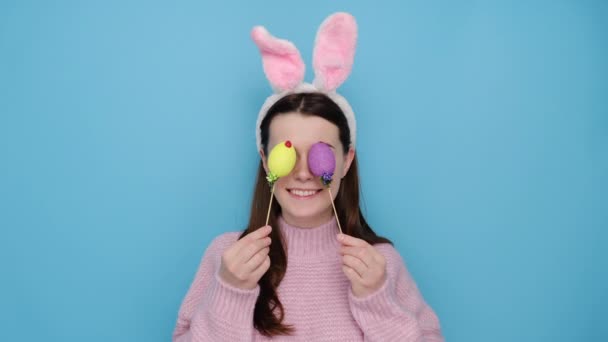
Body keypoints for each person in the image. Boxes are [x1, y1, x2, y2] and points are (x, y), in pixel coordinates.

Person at [172, 12, 444, 341]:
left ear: (347, 161)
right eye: (288, 154)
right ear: (264, 159)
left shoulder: (380, 264)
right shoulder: (227, 256)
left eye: (320, 153)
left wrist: (377, 300)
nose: (302, 173)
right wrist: (230, 291)